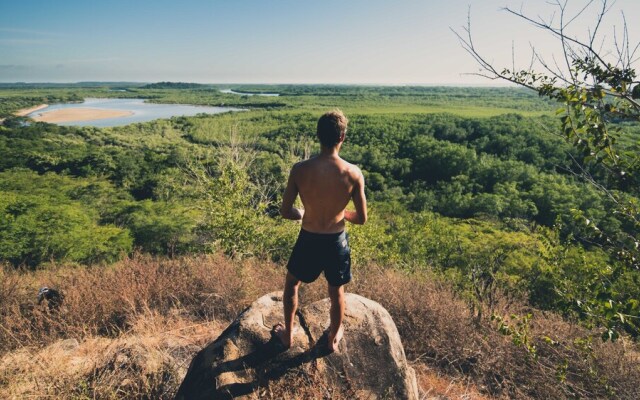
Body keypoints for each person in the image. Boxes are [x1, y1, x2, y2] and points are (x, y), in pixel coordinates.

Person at [273, 109, 367, 353]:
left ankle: (287, 336)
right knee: (336, 290)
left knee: (293, 283)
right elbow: (362, 218)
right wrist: (343, 214)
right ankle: (333, 337)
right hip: (336, 240)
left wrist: (303, 213)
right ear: (342, 137)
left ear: (318, 136)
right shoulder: (353, 173)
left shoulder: (300, 170)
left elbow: (285, 211)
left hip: (309, 237)